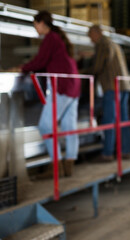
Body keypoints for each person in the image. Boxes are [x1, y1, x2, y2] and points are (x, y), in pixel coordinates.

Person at [21, 10, 81, 177]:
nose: (35, 29)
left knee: (45, 126)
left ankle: (56, 166)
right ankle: (69, 164)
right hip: (73, 86)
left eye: (35, 25)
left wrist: (22, 68)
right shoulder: (59, 38)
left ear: (41, 23)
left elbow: (40, 61)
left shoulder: (50, 38)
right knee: (69, 127)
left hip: (61, 85)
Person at [87, 25, 130, 162]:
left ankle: (107, 153)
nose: (90, 40)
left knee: (109, 120)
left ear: (96, 33)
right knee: (123, 120)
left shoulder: (102, 44)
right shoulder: (114, 44)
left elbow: (98, 67)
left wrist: (80, 72)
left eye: (90, 36)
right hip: (124, 85)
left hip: (112, 87)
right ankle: (125, 151)